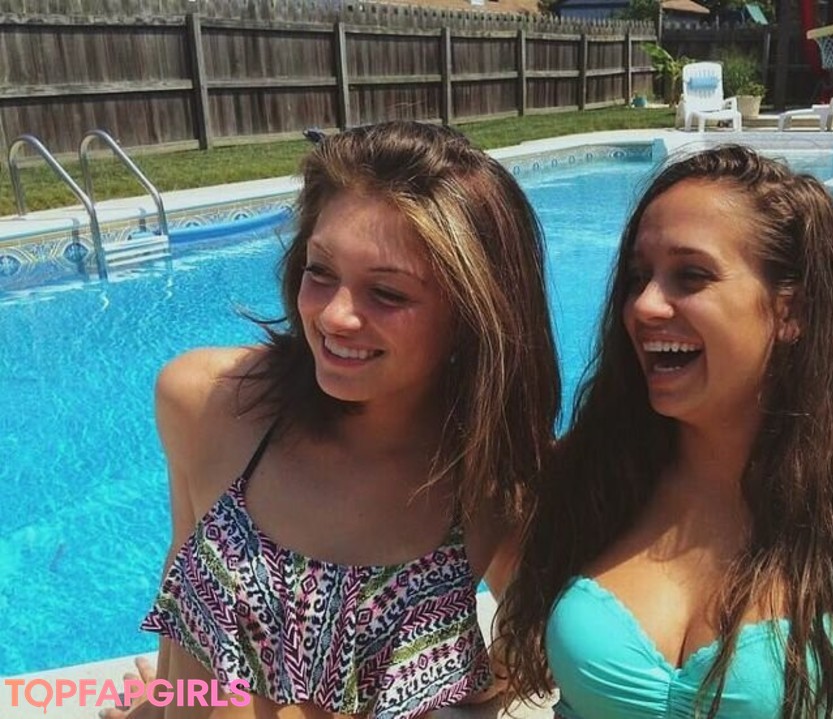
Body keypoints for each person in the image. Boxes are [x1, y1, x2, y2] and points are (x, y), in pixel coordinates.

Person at [497, 145, 833, 719]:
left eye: (690, 276)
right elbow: (499, 649)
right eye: (639, 278)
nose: (643, 306)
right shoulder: (597, 469)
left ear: (792, 311)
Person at [116, 121, 560, 719]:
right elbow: (187, 590)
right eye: (320, 272)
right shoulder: (204, 401)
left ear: (473, 316)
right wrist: (160, 705)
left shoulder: (489, 477)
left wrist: (475, 676)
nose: (334, 317)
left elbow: (536, 626)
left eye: (388, 293)